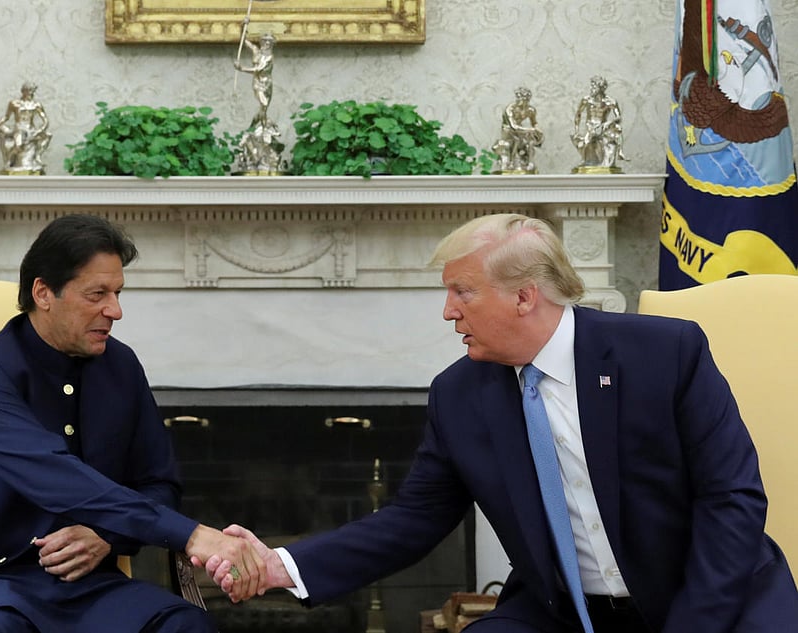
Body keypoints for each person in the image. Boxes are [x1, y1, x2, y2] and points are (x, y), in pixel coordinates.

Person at [205, 213, 798, 632]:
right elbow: (413, 520)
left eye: (463, 292)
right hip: (561, 612)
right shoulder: (459, 395)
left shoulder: (664, 354)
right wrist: (281, 566)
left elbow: (732, 499)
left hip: (707, 597)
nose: (447, 311)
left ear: (524, 297)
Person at [0, 214, 266, 633]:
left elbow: (159, 483)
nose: (115, 310)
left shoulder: (121, 365)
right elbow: (56, 476)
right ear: (43, 293)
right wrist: (193, 535)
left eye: (117, 293)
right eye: (97, 294)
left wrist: (107, 535)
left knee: (185, 624)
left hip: (89, 590)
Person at [0, 81, 53, 174]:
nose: (31, 93)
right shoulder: (14, 103)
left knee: (48, 136)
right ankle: (10, 159)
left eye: (32, 90)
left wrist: (40, 130)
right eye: (29, 90)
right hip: (19, 128)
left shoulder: (36, 104)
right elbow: (6, 117)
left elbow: (45, 120)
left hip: (31, 129)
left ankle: (37, 156)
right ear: (23, 91)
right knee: (19, 144)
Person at [571, 76, 625, 171]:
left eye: (594, 87)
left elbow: (618, 117)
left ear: (601, 88)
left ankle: (619, 153)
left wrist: (609, 122)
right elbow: (578, 114)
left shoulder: (610, 102)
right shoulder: (586, 100)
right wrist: (577, 130)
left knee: (617, 129)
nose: (592, 89)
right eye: (591, 87)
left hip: (603, 126)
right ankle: (587, 158)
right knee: (586, 139)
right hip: (590, 127)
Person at [492, 87, 544, 174]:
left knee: (530, 140)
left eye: (526, 100)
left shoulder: (531, 110)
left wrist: (538, 130)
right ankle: (511, 161)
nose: (524, 102)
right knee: (516, 140)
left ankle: (530, 163)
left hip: (520, 129)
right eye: (522, 99)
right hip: (508, 130)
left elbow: (534, 123)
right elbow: (513, 126)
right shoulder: (510, 109)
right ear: (517, 98)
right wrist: (530, 129)